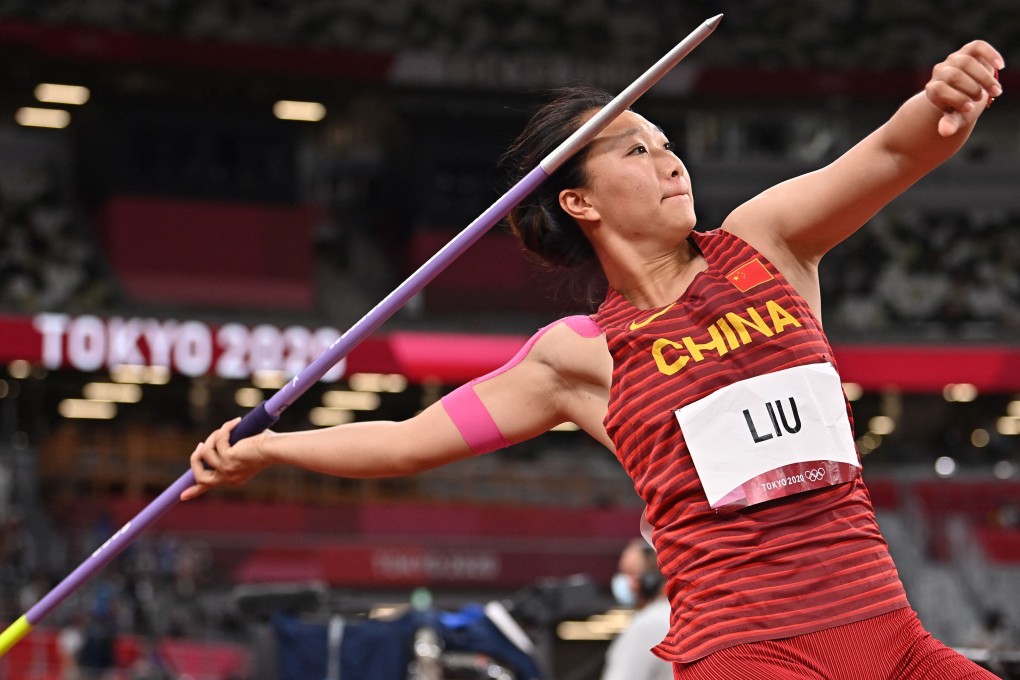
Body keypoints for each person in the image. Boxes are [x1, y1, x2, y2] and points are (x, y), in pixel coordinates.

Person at [184, 38, 1005, 679]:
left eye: (666, 141)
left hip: (891, 636)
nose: (670, 158)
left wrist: (943, 104)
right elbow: (407, 439)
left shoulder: (766, 243)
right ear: (578, 200)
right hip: (749, 653)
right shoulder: (578, 358)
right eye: (635, 151)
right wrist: (267, 447)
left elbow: (895, 155)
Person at [602, 538, 672, 680]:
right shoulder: (679, 616)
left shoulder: (648, 624)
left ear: (650, 581)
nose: (623, 582)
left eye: (630, 573)